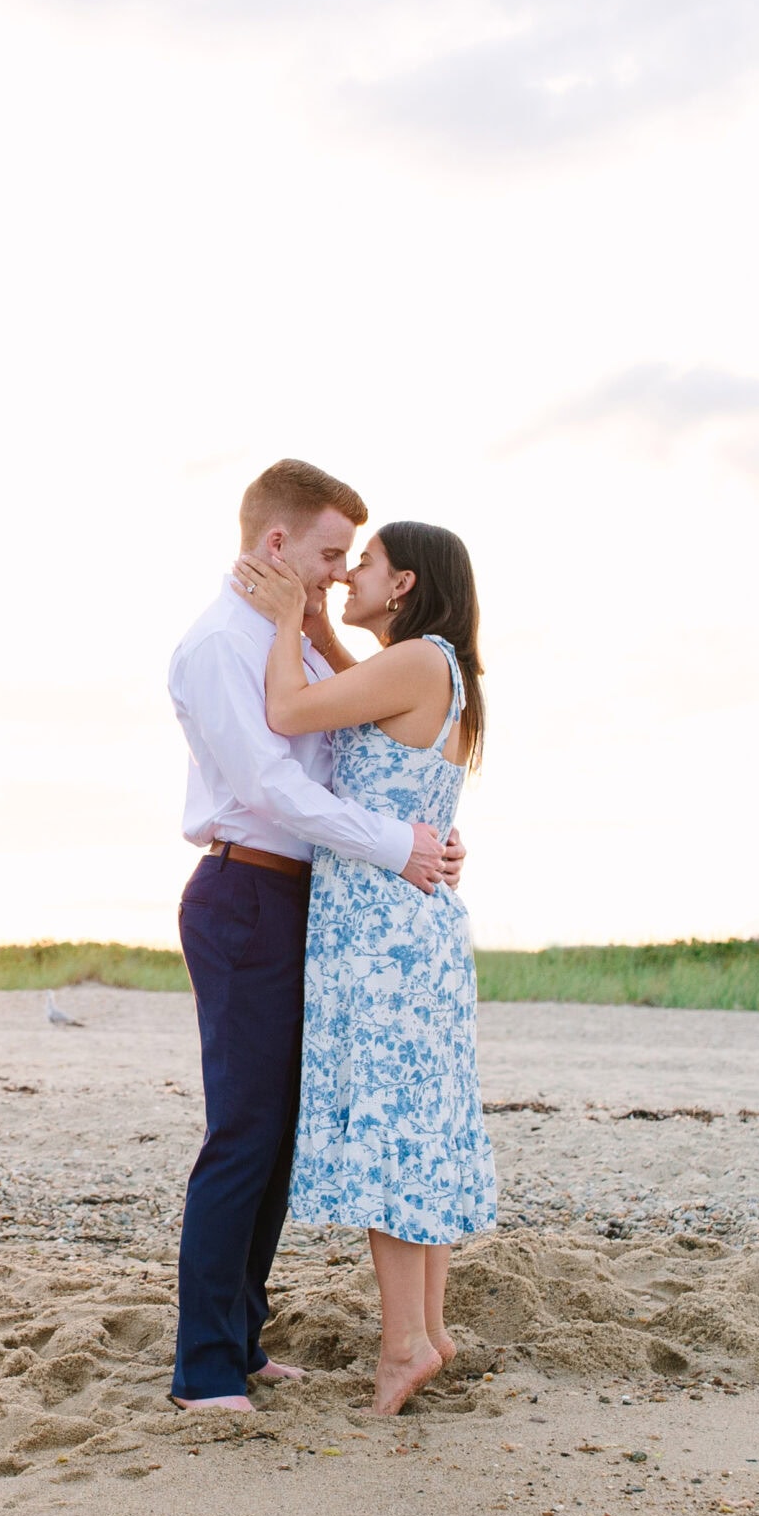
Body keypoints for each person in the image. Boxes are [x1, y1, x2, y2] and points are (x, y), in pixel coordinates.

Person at [163, 460, 464, 1413]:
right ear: (277, 543)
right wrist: (398, 845)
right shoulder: (220, 644)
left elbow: (372, 736)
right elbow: (270, 787)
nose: (339, 572)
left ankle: (242, 1340)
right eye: (331, 553)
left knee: (281, 1139)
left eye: (352, 558)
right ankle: (204, 1372)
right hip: (245, 893)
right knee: (243, 1136)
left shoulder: (295, 638)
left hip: (312, 902)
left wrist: (413, 828)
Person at [232, 519, 494, 1416]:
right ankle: (427, 1330)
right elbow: (357, 695)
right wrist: (313, 629)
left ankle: (403, 1346)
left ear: (407, 582)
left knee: (391, 1135)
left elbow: (289, 713)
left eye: (365, 566)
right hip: (406, 927)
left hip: (381, 933)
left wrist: (279, 625)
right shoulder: (436, 667)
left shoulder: (420, 660)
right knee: (417, 1129)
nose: (348, 580)